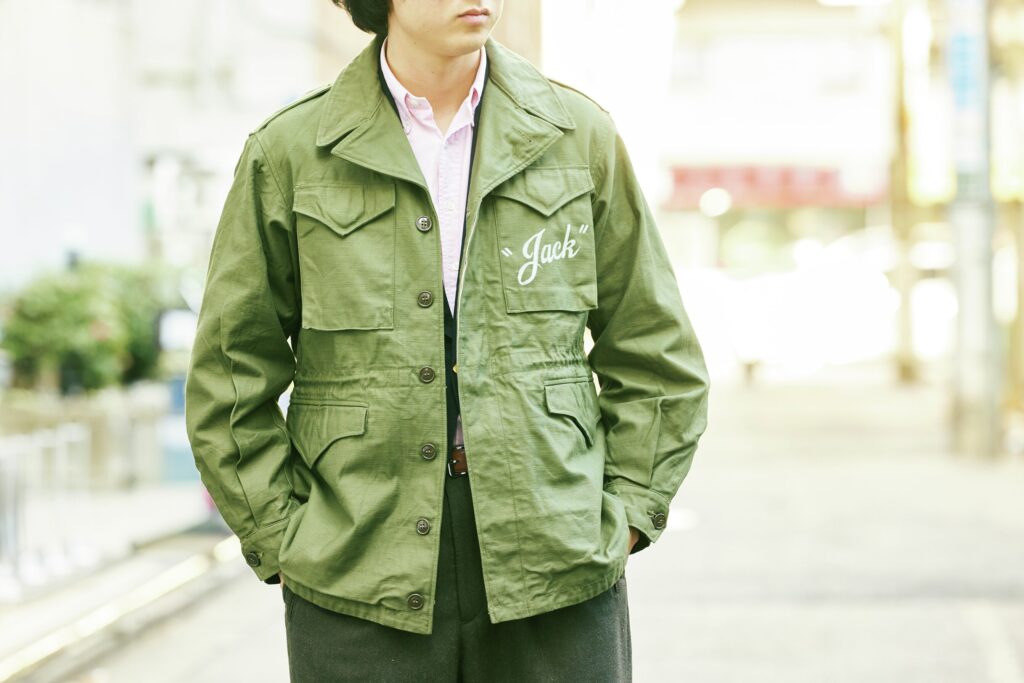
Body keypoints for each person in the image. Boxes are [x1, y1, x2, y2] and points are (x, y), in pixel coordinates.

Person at [184, 0, 711, 680]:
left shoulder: (576, 136)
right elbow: (230, 373)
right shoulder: (290, 151)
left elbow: (656, 355)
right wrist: (284, 536)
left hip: (557, 561)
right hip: (356, 570)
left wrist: (626, 513)